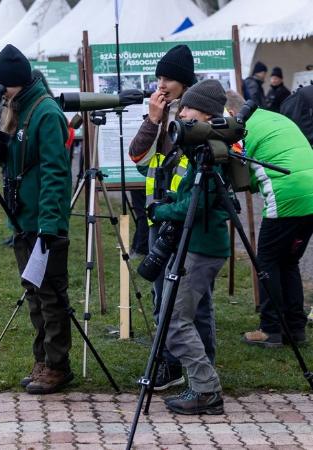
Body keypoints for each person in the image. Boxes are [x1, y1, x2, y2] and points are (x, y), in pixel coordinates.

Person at [0, 45, 72, 395]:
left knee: (50, 295)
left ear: (13, 84)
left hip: (42, 221)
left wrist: (49, 225)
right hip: (24, 218)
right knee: (35, 294)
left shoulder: (45, 112)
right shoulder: (16, 111)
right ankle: (43, 359)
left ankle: (57, 365)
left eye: (1, 86)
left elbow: (55, 172)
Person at [147, 79, 230, 415]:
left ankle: (206, 389)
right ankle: (203, 383)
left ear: (207, 115)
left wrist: (162, 210)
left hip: (201, 246)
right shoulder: (200, 148)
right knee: (180, 315)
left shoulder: (212, 151)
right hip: (196, 244)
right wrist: (173, 199)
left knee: (174, 320)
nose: (180, 113)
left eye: (187, 108)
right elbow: (190, 196)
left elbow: (198, 205)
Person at [128, 44, 195, 391]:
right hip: (159, 218)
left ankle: (195, 368)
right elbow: (137, 154)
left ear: (184, 81)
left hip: (187, 216)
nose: (162, 84)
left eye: (168, 78)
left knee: (189, 300)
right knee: (160, 294)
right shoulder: (160, 113)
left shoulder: (196, 111)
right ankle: (170, 364)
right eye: (159, 77)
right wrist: (153, 120)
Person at [225, 91, 313, 348]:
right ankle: (296, 328)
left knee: (268, 261)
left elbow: (242, 180)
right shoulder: (273, 117)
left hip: (287, 194)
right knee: (289, 261)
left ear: (230, 113)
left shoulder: (239, 129)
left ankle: (270, 329)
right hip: (310, 194)